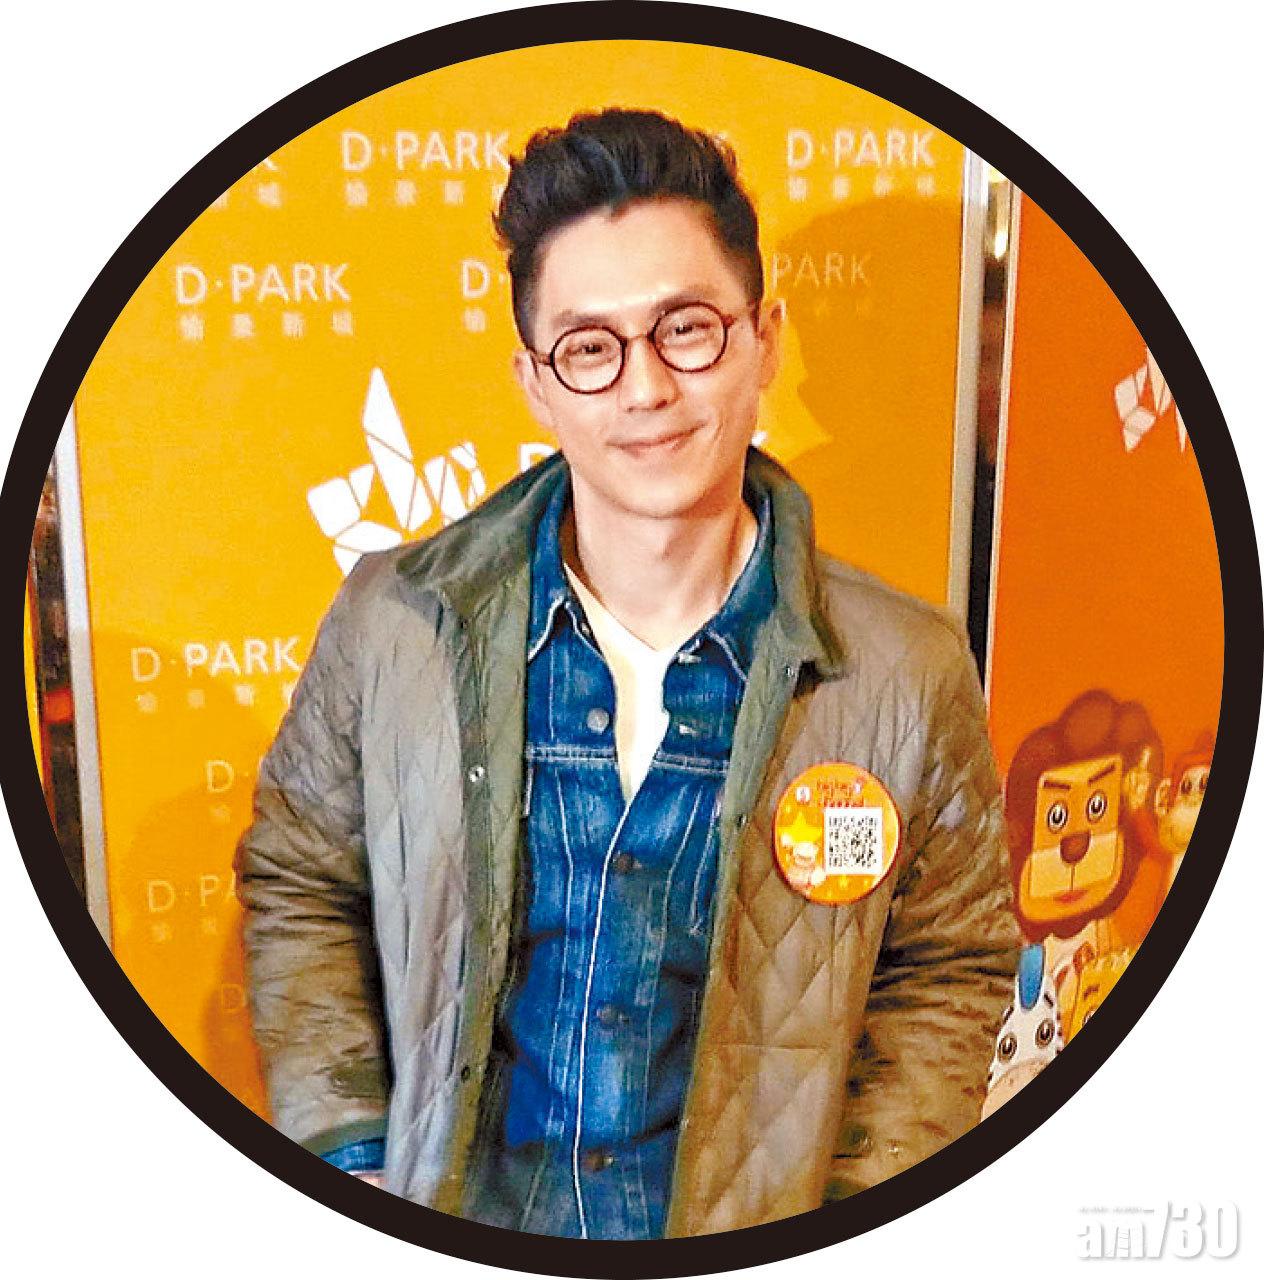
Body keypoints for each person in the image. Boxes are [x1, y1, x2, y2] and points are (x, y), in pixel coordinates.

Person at [235, 108, 1021, 1240]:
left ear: (764, 339)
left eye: (685, 329)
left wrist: (863, 1208)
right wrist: (353, 1158)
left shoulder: (902, 669)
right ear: (534, 382)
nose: (644, 387)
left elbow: (944, 964)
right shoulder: (395, 623)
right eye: (589, 347)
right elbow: (303, 881)